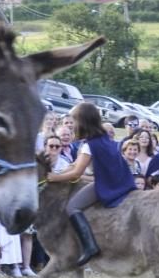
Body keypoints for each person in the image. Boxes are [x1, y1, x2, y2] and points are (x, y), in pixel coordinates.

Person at [46, 102, 135, 266]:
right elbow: (75, 165)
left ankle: (89, 246)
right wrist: (60, 173)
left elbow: (76, 173)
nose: (72, 126)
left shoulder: (89, 145)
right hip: (122, 181)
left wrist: (52, 178)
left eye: (74, 121)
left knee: (71, 207)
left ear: (83, 122)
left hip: (108, 185)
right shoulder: (102, 139)